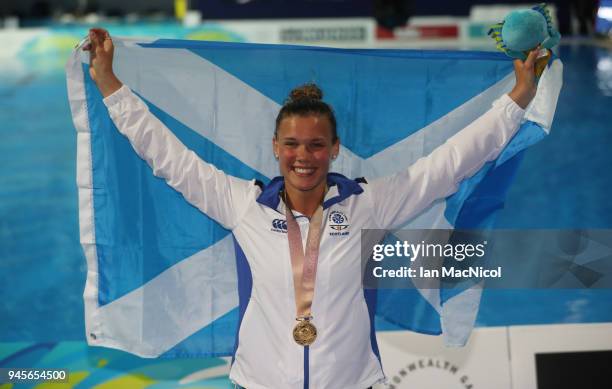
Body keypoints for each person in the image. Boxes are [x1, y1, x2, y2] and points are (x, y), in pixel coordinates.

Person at [86, 27, 538, 389]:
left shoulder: (369, 205)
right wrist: (109, 83)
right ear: (275, 148)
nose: (304, 156)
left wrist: (517, 99)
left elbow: (448, 165)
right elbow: (168, 158)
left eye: (317, 145)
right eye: (293, 145)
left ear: (335, 148)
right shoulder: (244, 205)